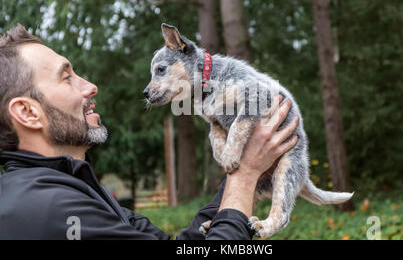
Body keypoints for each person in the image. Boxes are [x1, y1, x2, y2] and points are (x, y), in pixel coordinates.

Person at [0, 24, 299, 240]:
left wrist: (244, 169)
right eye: (67, 78)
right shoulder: (49, 210)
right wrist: (245, 175)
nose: (91, 87)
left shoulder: (76, 191)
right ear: (27, 113)